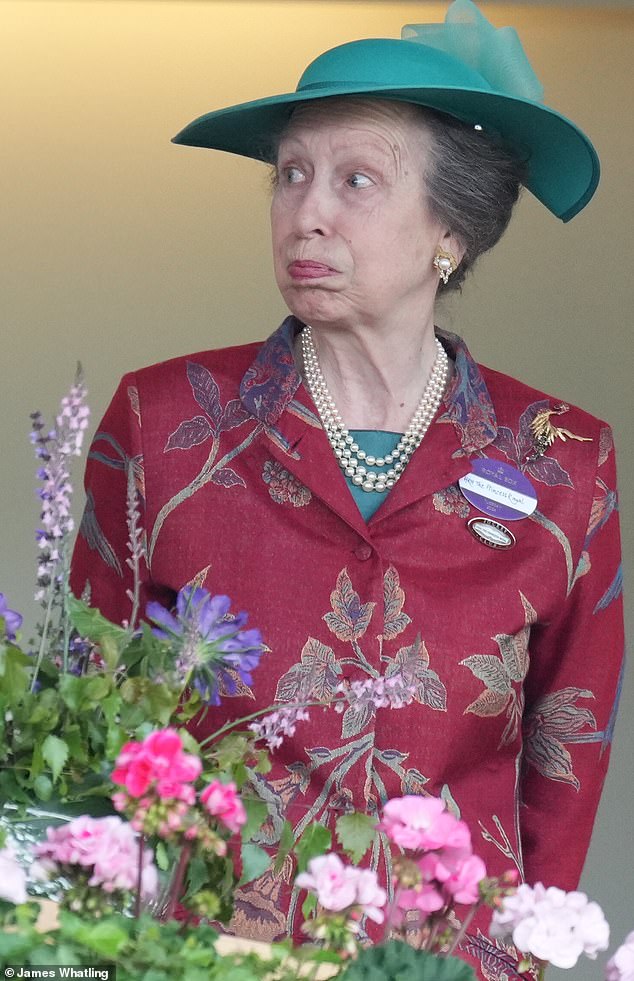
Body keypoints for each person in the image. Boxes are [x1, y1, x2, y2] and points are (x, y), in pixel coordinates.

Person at [71, 2, 624, 976]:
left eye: (355, 179)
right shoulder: (163, 425)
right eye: (290, 174)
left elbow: (564, 753)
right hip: (205, 955)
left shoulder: (565, 459)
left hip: (449, 961)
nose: (305, 211)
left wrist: (513, 959)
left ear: (449, 230)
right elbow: (89, 705)